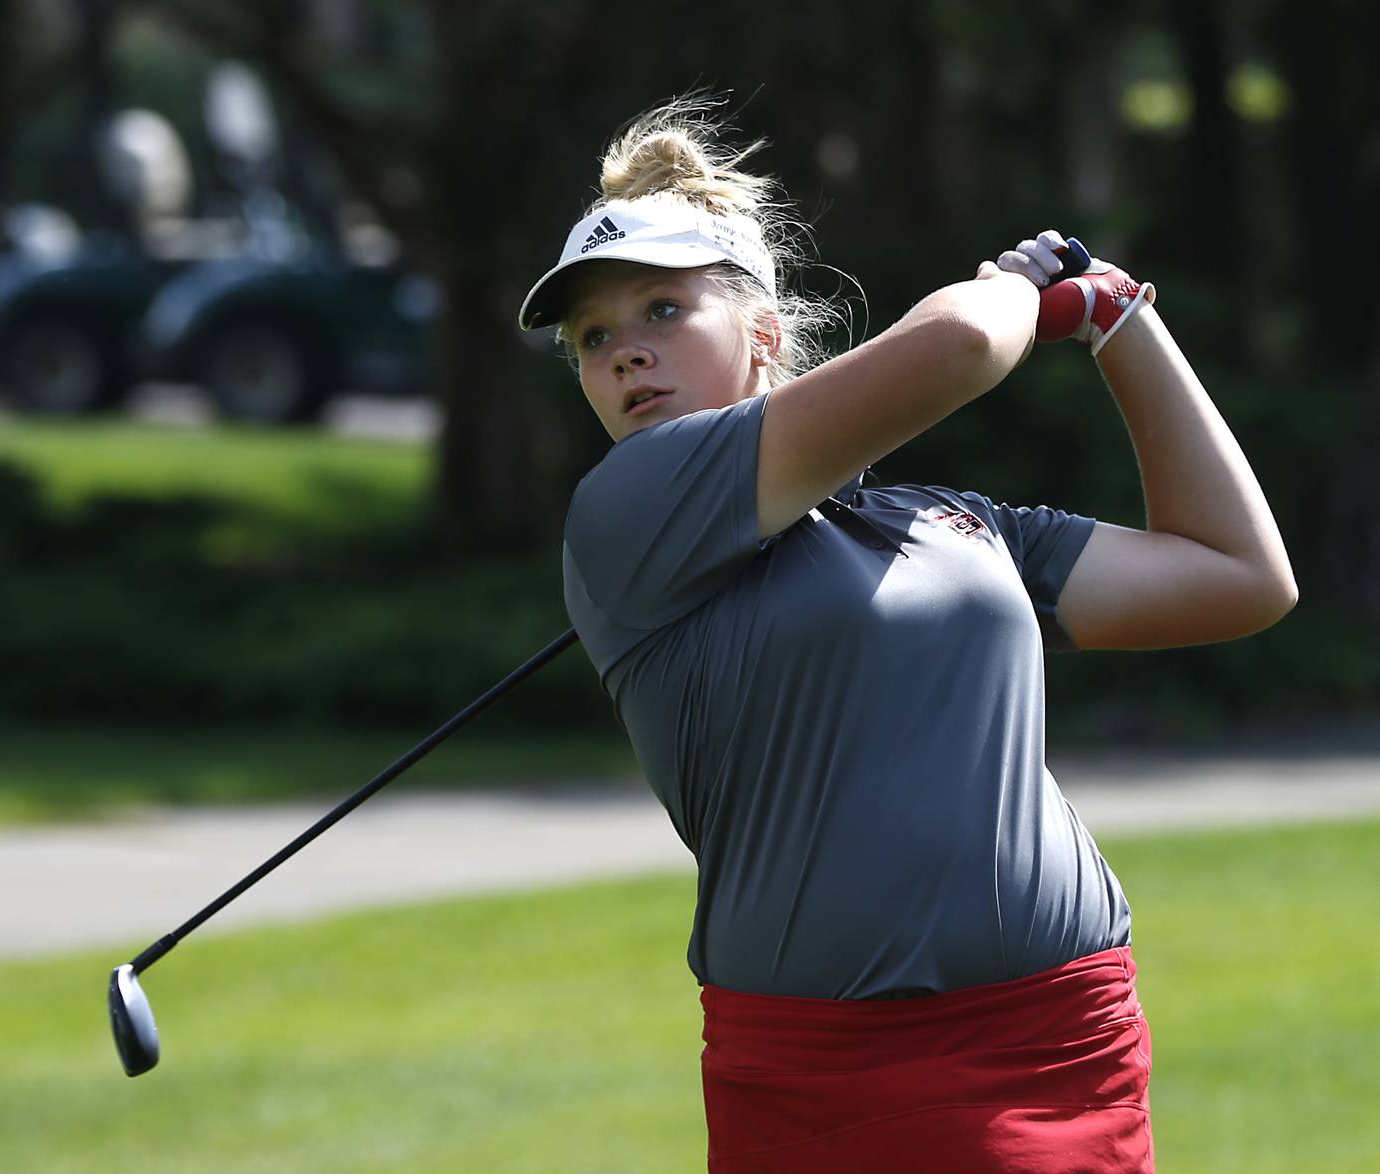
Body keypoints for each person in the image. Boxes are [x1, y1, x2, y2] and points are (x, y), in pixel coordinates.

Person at [518, 99, 1296, 1173]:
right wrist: (1021, 288)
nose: (623, 356)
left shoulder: (947, 522)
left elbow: (1238, 577)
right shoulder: (628, 508)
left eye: (661, 310)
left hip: (1068, 1043)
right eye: (593, 337)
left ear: (764, 334)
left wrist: (1118, 318)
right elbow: (971, 340)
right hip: (837, 1079)